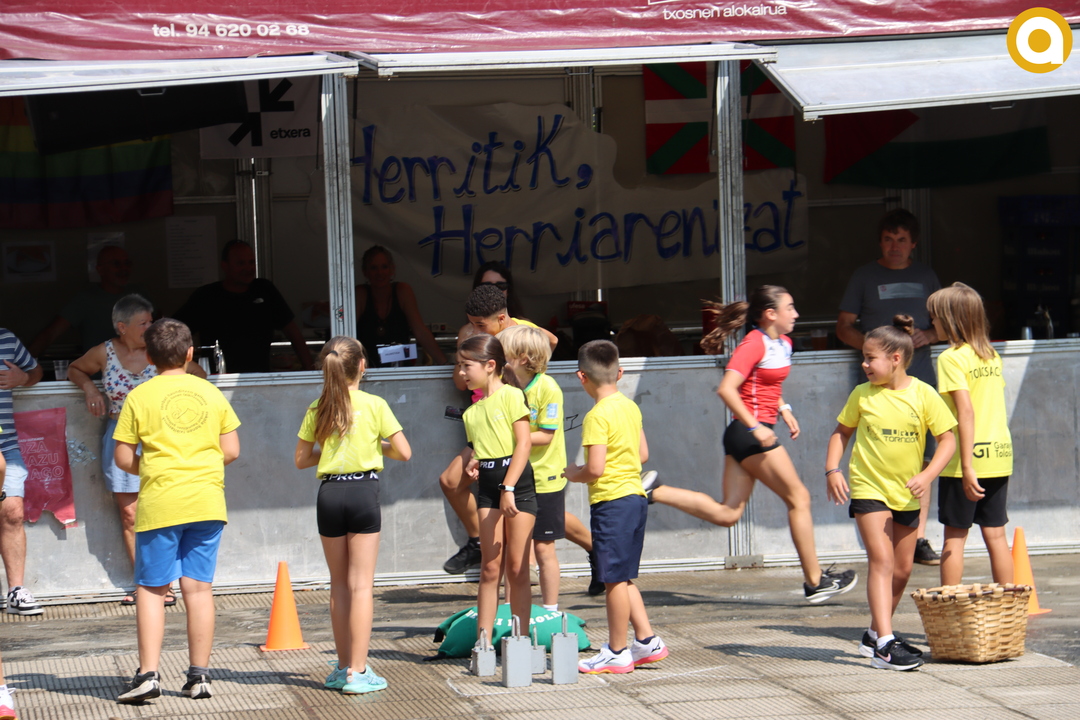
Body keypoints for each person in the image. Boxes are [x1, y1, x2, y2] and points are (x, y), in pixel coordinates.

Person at [645, 286, 858, 603]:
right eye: (790, 308)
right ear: (770, 314)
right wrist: (756, 427)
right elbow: (727, 389)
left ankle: (655, 491)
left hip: (749, 433)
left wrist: (784, 410)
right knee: (799, 498)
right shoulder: (753, 343)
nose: (796, 314)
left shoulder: (783, 343)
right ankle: (816, 582)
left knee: (728, 513)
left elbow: (767, 383)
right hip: (749, 433)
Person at [113, 319, 241, 703]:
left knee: (152, 590)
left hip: (161, 503)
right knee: (198, 589)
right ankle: (199, 677)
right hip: (206, 501)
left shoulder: (139, 396)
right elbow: (232, 451)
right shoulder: (211, 393)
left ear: (149, 357)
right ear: (189, 353)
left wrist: (153, 467)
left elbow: (123, 457)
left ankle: (149, 675)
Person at [826, 315, 956, 672]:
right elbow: (841, 433)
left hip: (907, 493)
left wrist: (928, 475)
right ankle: (885, 644)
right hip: (869, 488)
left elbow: (947, 440)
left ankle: (873, 634)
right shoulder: (862, 394)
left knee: (902, 569)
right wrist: (832, 469)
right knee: (882, 562)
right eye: (864, 358)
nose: (864, 364)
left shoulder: (924, 394)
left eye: (871, 358)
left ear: (896, 359)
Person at [66, 294, 204, 605]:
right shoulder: (104, 352)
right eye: (143, 323)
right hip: (122, 435)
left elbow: (198, 374)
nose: (150, 327)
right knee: (130, 514)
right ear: (122, 327)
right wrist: (90, 388)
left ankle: (168, 582)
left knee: (166, 508)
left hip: (161, 437)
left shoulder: (161, 352)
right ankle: (147, 584)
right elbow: (75, 369)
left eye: (151, 321)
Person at [294, 336, 412, 695]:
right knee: (361, 585)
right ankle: (358, 673)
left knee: (339, 584)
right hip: (362, 491)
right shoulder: (375, 404)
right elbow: (404, 452)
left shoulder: (318, 406)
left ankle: (343, 666)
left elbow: (301, 459)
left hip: (329, 493)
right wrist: (374, 444)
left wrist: (333, 451)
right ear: (362, 365)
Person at [836, 209, 943, 566]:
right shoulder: (864, 276)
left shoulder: (926, 276)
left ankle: (918, 538)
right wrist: (874, 350)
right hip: (877, 385)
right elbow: (843, 326)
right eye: (888, 239)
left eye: (901, 240)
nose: (894, 246)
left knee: (923, 456)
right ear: (879, 242)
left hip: (920, 375)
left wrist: (932, 334)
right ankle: (881, 535)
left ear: (913, 244)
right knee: (880, 450)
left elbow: (948, 323)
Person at [564, 340, 667, 674]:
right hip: (635, 498)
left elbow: (594, 469)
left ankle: (617, 651)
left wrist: (573, 473)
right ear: (619, 372)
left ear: (581, 376)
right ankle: (647, 640)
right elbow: (643, 454)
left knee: (612, 580)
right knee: (622, 577)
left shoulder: (596, 415)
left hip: (612, 502)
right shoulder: (629, 407)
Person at [440, 284, 557, 575]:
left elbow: (551, 340)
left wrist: (531, 369)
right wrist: (467, 348)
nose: (474, 329)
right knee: (451, 481)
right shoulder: (472, 335)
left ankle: (582, 549)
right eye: (471, 323)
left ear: (502, 319)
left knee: (532, 504)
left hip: (514, 429)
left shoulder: (519, 334)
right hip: (483, 427)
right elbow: (459, 382)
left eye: (480, 325)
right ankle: (479, 542)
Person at [927, 283, 1014, 586]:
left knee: (954, 536)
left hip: (966, 459)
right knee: (996, 534)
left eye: (935, 317)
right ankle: (1009, 605)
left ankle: (950, 607)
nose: (932, 322)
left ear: (950, 319)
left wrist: (966, 466)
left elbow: (965, 411)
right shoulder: (991, 355)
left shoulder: (951, 358)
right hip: (999, 455)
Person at [456, 334, 535, 654]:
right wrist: (475, 461)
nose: (461, 372)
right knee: (490, 567)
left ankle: (521, 641)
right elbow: (483, 445)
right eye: (459, 366)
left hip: (517, 486)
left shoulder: (512, 396)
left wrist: (509, 488)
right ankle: (484, 642)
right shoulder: (471, 413)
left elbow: (523, 444)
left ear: (490, 365)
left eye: (466, 366)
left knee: (517, 568)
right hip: (488, 487)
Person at [499, 324, 569, 611]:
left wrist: (510, 439)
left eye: (502, 354)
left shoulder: (548, 388)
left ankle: (550, 609)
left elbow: (547, 434)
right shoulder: (505, 387)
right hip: (516, 477)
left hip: (545, 478)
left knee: (543, 547)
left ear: (522, 359)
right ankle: (509, 608)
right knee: (513, 548)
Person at [174, 240, 314, 373]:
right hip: (218, 380)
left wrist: (310, 370)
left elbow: (292, 332)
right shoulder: (206, 296)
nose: (248, 268)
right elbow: (174, 335)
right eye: (241, 263)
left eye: (251, 262)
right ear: (225, 266)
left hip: (260, 378)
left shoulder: (265, 290)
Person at [28, 245, 143, 357]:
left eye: (127, 263)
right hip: (100, 369)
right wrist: (24, 361)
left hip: (138, 367)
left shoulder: (138, 294)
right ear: (100, 269)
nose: (123, 268)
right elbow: (51, 333)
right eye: (116, 264)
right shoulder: (85, 299)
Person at [0, 329, 44, 616]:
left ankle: (16, 591)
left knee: (13, 512)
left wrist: (23, 379)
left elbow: (36, 371)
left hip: (6, 443)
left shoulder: (6, 338)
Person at [355, 246, 448, 367]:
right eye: (373, 268)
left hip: (400, 368)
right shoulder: (360, 294)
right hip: (367, 369)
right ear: (365, 272)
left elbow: (420, 332)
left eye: (384, 267)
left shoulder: (403, 291)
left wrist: (444, 363)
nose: (379, 273)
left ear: (392, 269)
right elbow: (346, 335)